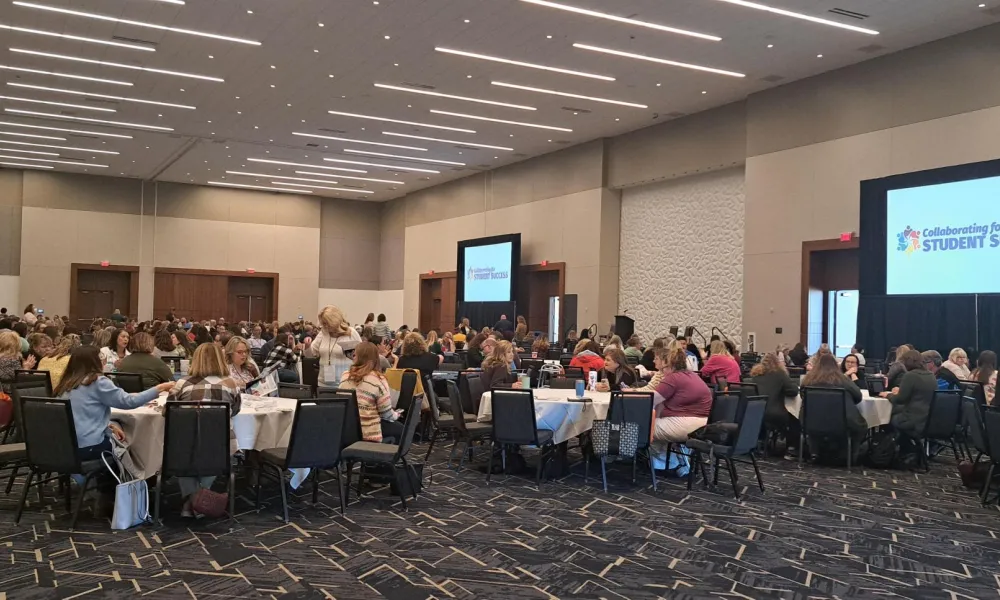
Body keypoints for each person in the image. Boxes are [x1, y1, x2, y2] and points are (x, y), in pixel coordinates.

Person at [56, 346, 173, 461]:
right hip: (90, 446)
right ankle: (140, 477)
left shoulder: (65, 384)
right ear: (95, 362)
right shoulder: (97, 382)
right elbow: (129, 402)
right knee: (136, 446)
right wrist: (159, 388)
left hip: (65, 446)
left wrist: (107, 426)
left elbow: (79, 416)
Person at [168, 343, 241, 516]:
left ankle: (192, 499)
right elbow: (236, 410)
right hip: (219, 445)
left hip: (185, 446)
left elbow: (168, 412)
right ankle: (201, 499)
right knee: (217, 452)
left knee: (180, 451)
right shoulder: (231, 385)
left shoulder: (182, 384)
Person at [799, 353, 867, 464]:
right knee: (860, 427)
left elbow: (803, 397)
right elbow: (858, 396)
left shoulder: (808, 380)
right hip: (841, 422)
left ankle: (815, 452)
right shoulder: (842, 380)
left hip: (811, 421)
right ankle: (848, 456)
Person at [339, 342, 401, 442]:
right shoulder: (378, 379)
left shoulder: (345, 376)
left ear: (356, 356)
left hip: (346, 432)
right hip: (369, 432)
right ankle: (389, 455)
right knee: (401, 429)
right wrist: (396, 415)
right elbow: (386, 413)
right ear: (377, 358)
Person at [883, 349, 936, 462]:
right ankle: (906, 449)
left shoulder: (910, 376)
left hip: (911, 420)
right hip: (927, 419)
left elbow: (900, 400)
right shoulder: (931, 376)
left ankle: (897, 450)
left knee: (887, 420)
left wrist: (887, 395)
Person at [652, 346, 712, 443]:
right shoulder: (693, 375)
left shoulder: (673, 378)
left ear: (669, 365)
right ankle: (664, 456)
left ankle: (648, 457)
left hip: (684, 425)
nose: (663, 373)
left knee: (639, 426)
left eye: (663, 369)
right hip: (704, 424)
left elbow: (651, 400)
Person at [750, 353, 800, 453]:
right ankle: (792, 447)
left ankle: (761, 440)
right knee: (795, 417)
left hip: (756, 412)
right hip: (775, 413)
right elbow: (793, 391)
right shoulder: (780, 374)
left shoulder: (755, 374)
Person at [306, 306, 362, 386]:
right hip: (323, 383)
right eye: (323, 323)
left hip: (345, 383)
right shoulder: (323, 333)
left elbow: (362, 358)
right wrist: (307, 346)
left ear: (334, 321)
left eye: (326, 323)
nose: (324, 326)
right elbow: (311, 354)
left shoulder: (351, 333)